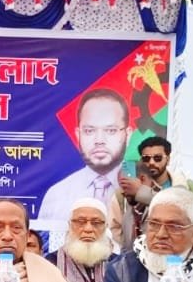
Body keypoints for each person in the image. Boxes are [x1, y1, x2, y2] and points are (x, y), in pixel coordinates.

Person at [38, 88, 132, 223]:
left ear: (127, 135)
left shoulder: (141, 191)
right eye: (89, 131)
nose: (99, 140)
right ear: (78, 135)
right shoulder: (56, 195)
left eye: (111, 130)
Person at [45, 199, 115, 282]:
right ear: (70, 226)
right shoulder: (51, 262)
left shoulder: (117, 264)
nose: (88, 229)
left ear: (105, 227)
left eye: (96, 223)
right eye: (80, 222)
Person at [109, 161, 154, 252]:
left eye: (125, 185)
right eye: (120, 186)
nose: (122, 191)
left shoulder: (165, 198)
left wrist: (140, 190)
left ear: (142, 179)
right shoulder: (129, 213)